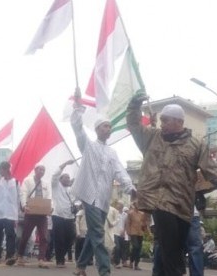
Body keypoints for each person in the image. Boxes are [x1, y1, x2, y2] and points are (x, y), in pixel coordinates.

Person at [126, 94, 217, 276]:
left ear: (179, 122)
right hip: (157, 200)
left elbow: (210, 168)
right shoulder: (151, 137)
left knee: (172, 245)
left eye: (166, 120)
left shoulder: (195, 145)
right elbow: (133, 124)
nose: (162, 124)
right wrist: (134, 104)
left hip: (183, 204)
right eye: (161, 120)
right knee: (171, 247)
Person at [71, 90, 137, 276]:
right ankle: (104, 271)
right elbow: (77, 127)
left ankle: (81, 267)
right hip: (88, 196)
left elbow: (120, 172)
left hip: (103, 200)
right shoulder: (87, 146)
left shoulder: (112, 153)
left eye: (109, 126)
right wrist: (77, 107)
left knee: (93, 234)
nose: (108, 129)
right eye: (105, 126)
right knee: (99, 235)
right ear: (98, 129)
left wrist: (130, 187)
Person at [17, 164, 52, 269]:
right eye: (40, 169)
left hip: (42, 214)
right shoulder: (27, 181)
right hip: (30, 211)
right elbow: (23, 193)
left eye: (43, 170)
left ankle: (41, 259)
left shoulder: (46, 183)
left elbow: (50, 196)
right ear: (35, 170)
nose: (42, 171)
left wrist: (51, 207)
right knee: (25, 236)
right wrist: (24, 206)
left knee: (44, 237)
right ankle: (20, 256)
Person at [51, 160, 77, 268]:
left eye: (68, 177)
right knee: (59, 239)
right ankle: (59, 260)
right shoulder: (56, 186)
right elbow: (55, 175)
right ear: (60, 179)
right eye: (65, 177)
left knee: (71, 237)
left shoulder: (71, 190)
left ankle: (62, 256)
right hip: (58, 216)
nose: (67, 179)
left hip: (70, 217)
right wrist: (65, 163)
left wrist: (76, 206)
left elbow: (77, 201)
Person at [125, 201, 149, 271]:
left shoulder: (142, 214)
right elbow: (127, 223)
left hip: (140, 233)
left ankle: (136, 264)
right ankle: (131, 261)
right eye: (137, 204)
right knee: (135, 246)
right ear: (134, 205)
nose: (138, 205)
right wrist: (128, 232)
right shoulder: (130, 213)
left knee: (139, 248)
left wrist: (146, 230)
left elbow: (144, 223)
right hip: (133, 232)